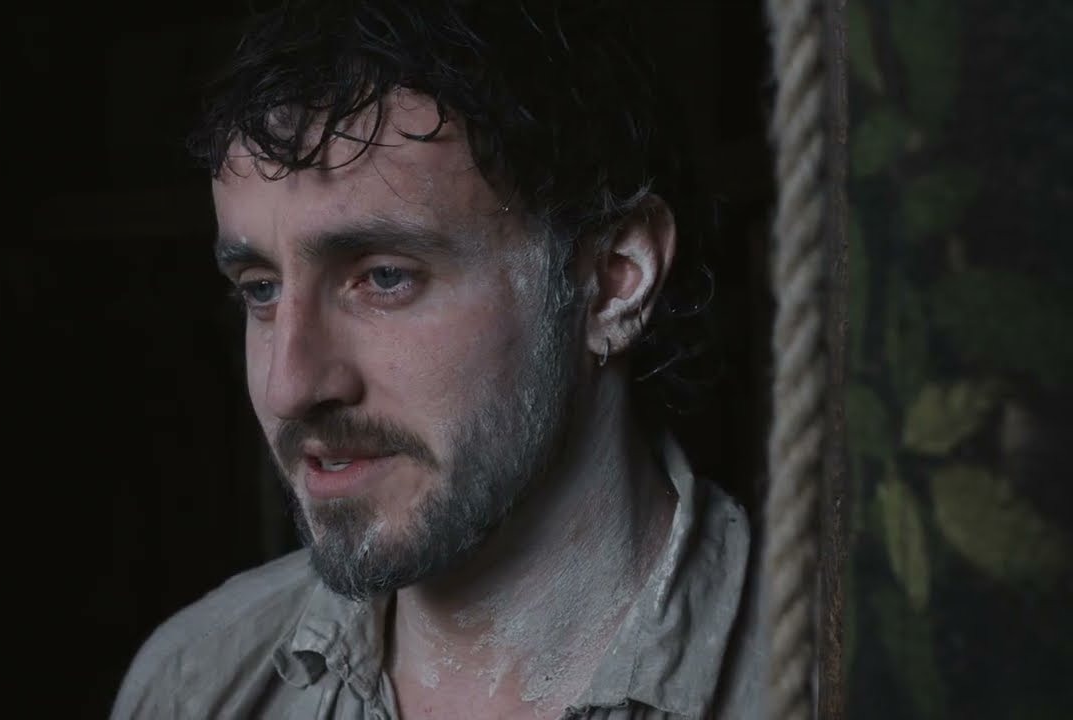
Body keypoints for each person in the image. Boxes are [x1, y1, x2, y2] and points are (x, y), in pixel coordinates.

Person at [113, 1, 758, 717]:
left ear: (612, 281)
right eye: (261, 289)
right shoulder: (192, 683)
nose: (288, 386)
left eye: (385, 277)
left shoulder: (827, 678)